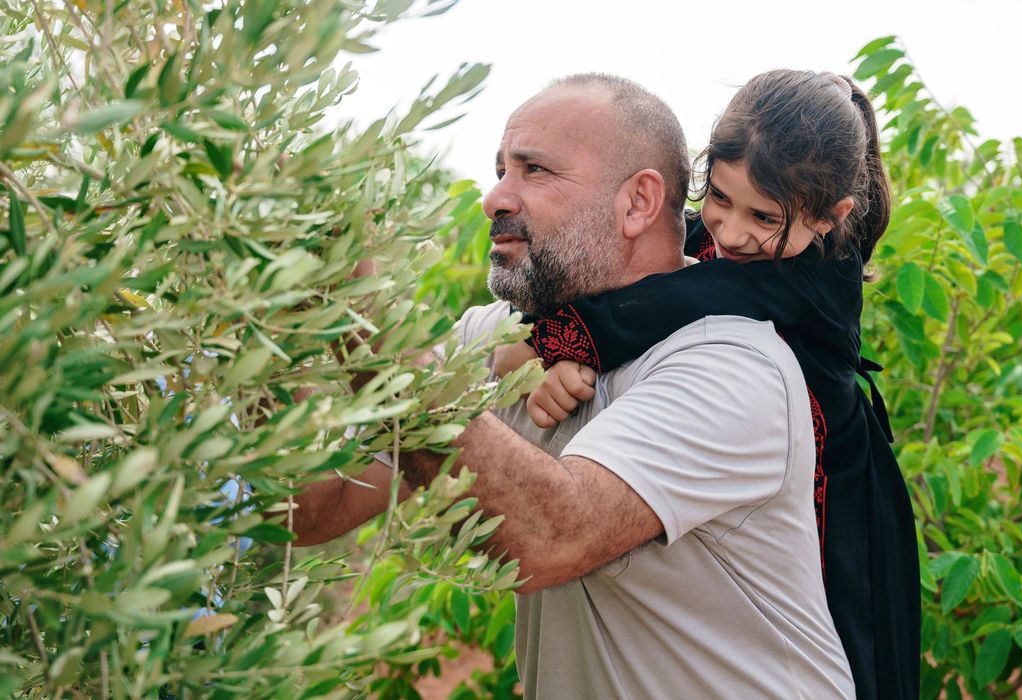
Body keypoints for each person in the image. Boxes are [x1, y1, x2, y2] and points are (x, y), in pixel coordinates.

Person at [292, 73, 855, 697]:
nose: (494, 198)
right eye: (500, 168)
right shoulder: (501, 339)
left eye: (534, 171)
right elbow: (311, 509)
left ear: (639, 202)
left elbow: (549, 535)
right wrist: (276, 308)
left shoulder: (733, 363)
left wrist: (363, 320)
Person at [495, 70, 920, 700]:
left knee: (853, 640)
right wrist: (579, 353)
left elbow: (677, 298)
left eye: (765, 216)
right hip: (765, 468)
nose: (732, 232)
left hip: (838, 488)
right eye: (719, 198)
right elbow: (645, 275)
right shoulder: (734, 236)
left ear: (833, 218)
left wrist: (546, 346)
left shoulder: (814, 276)